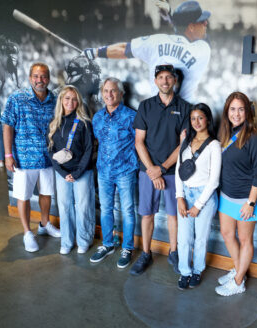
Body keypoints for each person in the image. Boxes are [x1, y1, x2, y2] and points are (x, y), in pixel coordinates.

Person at [83, 0, 211, 103]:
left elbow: (124, 49)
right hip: (185, 119)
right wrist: (172, 17)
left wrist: (95, 52)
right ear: (191, 26)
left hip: (157, 117)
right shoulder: (202, 50)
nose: (206, 23)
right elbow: (197, 37)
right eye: (201, 21)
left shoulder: (158, 41)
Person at [130, 64, 191, 276]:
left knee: (175, 215)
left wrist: (162, 168)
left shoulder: (185, 108)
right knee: (147, 214)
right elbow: (139, 142)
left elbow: (183, 144)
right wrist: (152, 170)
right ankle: (146, 253)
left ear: (174, 80)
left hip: (173, 171)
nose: (164, 81)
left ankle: (174, 252)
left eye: (168, 77)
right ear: (155, 81)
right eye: (160, 77)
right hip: (148, 171)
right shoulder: (145, 106)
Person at [0, 62, 61, 252]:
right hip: (23, 159)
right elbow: (7, 126)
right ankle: (27, 233)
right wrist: (8, 155)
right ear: (29, 78)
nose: (39, 80)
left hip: (47, 157)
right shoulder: (17, 98)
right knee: (23, 196)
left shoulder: (54, 99)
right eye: (36, 76)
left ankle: (44, 224)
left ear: (48, 79)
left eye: (43, 76)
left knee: (46, 193)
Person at [215, 91, 257, 296]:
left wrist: (251, 203)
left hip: (247, 199)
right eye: (233, 109)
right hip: (227, 195)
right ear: (227, 111)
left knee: (245, 240)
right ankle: (239, 271)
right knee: (227, 234)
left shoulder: (255, 137)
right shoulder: (224, 134)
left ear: (248, 112)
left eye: (241, 109)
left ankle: (238, 283)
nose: (236, 114)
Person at [90, 77, 139, 269]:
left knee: (127, 210)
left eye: (113, 91)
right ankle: (108, 244)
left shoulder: (131, 116)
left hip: (125, 170)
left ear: (120, 93)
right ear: (102, 94)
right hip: (103, 171)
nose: (109, 94)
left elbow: (139, 143)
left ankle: (127, 247)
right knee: (106, 208)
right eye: (106, 91)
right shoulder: (97, 117)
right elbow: (97, 141)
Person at [175, 103, 221, 290]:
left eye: (200, 118)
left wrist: (198, 205)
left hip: (205, 197)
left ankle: (197, 270)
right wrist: (179, 197)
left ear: (208, 119)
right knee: (184, 238)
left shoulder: (214, 145)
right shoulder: (186, 142)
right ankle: (184, 271)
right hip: (186, 193)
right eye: (193, 118)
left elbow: (214, 180)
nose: (197, 122)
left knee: (201, 238)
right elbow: (180, 171)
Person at [47, 85, 95, 255]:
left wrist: (77, 173)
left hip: (82, 172)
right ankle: (67, 241)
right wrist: (62, 173)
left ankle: (83, 240)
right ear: (61, 100)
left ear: (78, 102)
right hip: (62, 174)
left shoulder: (84, 122)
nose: (70, 102)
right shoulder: (54, 123)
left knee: (83, 207)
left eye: (74, 99)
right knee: (65, 207)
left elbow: (89, 149)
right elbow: (51, 151)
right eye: (67, 98)